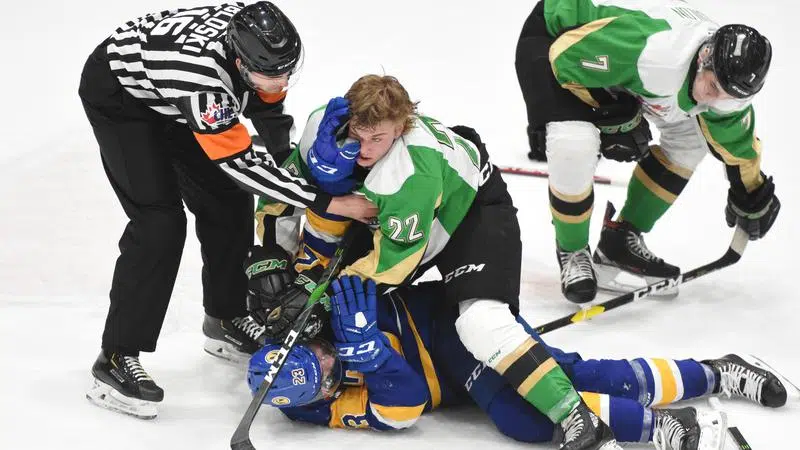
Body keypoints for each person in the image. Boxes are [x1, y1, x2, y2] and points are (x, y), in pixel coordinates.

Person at [248, 74, 621, 449]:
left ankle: (576, 416)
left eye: (377, 138)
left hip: (471, 213)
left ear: (401, 127)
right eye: (358, 135)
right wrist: (273, 259)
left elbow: (394, 264)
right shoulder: (322, 129)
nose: (363, 148)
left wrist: (322, 296)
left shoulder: (410, 172)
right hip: (389, 213)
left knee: (481, 324)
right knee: (311, 250)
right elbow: (284, 194)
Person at [79, 2, 377, 419]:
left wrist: (284, 155)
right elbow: (239, 163)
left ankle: (226, 316)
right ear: (238, 61)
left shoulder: (264, 48)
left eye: (288, 71)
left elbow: (267, 104)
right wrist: (326, 201)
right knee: (159, 222)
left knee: (228, 202)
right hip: (122, 97)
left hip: (173, 86)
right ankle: (114, 357)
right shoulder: (202, 81)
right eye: (269, 75)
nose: (280, 82)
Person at [247, 275, 788, 450]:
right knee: (550, 396)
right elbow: (403, 409)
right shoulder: (308, 409)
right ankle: (676, 414)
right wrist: (376, 358)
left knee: (541, 402)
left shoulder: (318, 319)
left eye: (319, 357)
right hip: (443, 381)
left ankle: (710, 379)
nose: (331, 367)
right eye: (324, 381)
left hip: (450, 331)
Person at [514, 0, 779, 303]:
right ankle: (572, 249)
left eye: (727, 96)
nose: (714, 99)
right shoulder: (656, 56)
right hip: (558, 36)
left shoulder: (727, 88)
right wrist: (615, 115)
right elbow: (564, 59)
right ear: (704, 57)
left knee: (692, 138)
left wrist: (751, 193)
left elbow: (737, 146)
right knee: (573, 143)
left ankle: (619, 241)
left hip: (614, 60)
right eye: (713, 85)